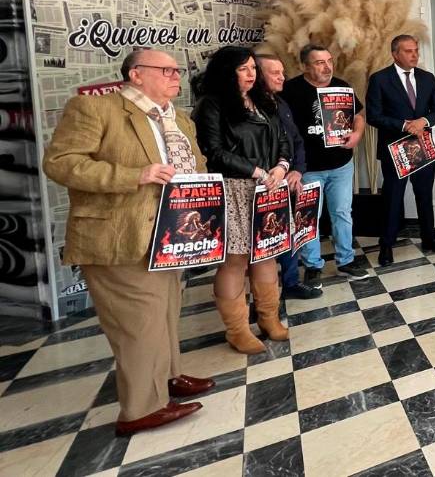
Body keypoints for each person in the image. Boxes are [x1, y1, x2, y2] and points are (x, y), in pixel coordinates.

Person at [43, 48, 214, 436]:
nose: (176, 76)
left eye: (177, 70)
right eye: (166, 70)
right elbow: (61, 163)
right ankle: (140, 409)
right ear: (136, 75)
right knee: (138, 323)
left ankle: (167, 378)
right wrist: (134, 175)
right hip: (118, 233)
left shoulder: (178, 118)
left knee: (165, 312)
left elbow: (197, 165)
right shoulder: (95, 109)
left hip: (171, 233)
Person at [192, 46, 292, 355]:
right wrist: (257, 171)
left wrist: (281, 167)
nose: (251, 74)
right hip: (233, 187)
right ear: (227, 72)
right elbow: (213, 151)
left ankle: (269, 319)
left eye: (253, 68)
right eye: (243, 69)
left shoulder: (264, 100)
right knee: (235, 260)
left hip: (267, 188)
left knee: (265, 254)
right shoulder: (212, 104)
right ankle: (237, 330)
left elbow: (283, 139)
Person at [280, 45, 370, 285]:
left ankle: (346, 261)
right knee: (309, 217)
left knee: (342, 213)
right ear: (305, 66)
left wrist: (357, 134)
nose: (327, 66)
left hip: (341, 164)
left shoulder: (341, 86)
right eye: (320, 62)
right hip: (308, 168)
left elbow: (358, 115)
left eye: (329, 61)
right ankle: (312, 266)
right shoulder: (290, 90)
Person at [367, 34, 435, 265]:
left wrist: (423, 120)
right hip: (395, 149)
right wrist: (404, 125)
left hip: (423, 145)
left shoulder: (427, 78)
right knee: (392, 197)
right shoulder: (380, 79)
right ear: (395, 54)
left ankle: (429, 238)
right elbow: (374, 115)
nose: (415, 55)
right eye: (408, 51)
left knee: (424, 195)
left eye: (416, 50)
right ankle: (386, 245)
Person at [256, 54, 322, 300]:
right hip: (262, 182)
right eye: (275, 73)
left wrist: (297, 169)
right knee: (264, 240)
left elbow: (296, 140)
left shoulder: (281, 103)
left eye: (282, 72)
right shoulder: (249, 106)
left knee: (290, 231)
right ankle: (262, 299)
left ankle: (291, 282)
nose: (282, 77)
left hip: (288, 178)